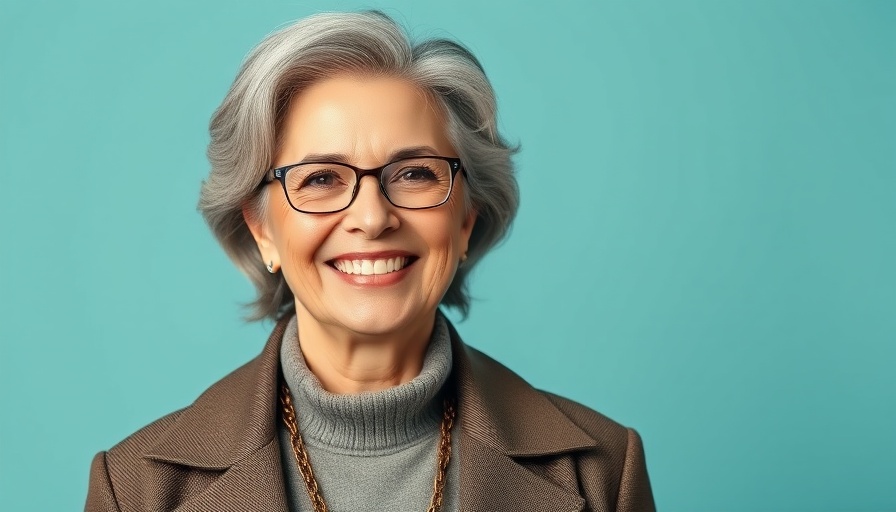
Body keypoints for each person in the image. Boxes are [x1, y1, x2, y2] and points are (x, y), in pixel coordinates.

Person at [85, 11, 655, 512]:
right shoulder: (135, 489)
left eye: (413, 173)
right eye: (321, 179)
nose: (372, 218)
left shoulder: (604, 470)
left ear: (465, 220)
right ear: (263, 231)